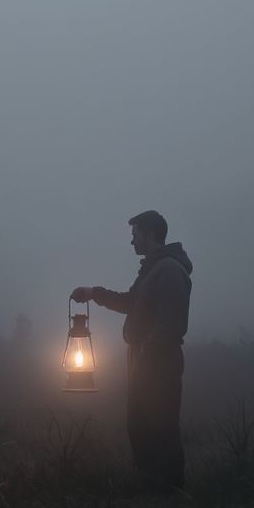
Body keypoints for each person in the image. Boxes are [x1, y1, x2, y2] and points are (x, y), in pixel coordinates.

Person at [71, 210, 192, 491]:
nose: (132, 242)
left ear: (150, 234)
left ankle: (171, 495)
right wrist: (93, 293)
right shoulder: (153, 270)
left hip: (158, 365)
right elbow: (131, 303)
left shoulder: (170, 270)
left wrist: (145, 359)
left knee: (161, 429)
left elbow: (169, 328)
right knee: (139, 428)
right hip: (145, 361)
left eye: (135, 234)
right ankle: (149, 489)